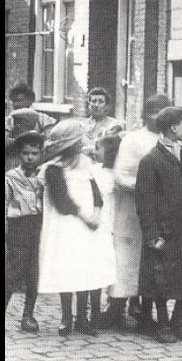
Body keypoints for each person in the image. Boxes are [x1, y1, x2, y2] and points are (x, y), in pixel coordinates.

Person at [37, 120, 116, 336]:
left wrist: (97, 214)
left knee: (86, 268)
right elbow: (63, 202)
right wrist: (85, 217)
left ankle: (83, 317)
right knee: (68, 268)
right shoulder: (53, 169)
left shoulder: (87, 165)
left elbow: (97, 193)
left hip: (90, 225)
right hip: (68, 225)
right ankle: (66, 317)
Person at [135, 106, 182, 344]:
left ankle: (179, 321)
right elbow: (144, 202)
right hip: (165, 232)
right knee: (161, 280)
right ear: (173, 128)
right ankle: (163, 324)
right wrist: (152, 234)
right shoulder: (151, 160)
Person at [101, 93, 171, 332]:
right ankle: (115, 308)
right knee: (127, 260)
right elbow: (120, 176)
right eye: (155, 114)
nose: (159, 119)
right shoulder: (134, 140)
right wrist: (147, 188)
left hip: (157, 213)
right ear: (145, 116)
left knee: (152, 261)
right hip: (131, 211)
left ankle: (145, 311)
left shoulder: (171, 140)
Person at [5, 131, 45, 332]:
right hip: (18, 227)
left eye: (34, 153)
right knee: (12, 273)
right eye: (26, 153)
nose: (30, 157)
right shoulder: (11, 177)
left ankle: (28, 315)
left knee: (33, 274)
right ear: (19, 154)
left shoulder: (44, 176)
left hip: (38, 226)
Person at [5, 82, 56, 153]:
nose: (15, 104)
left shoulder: (44, 119)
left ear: (30, 101)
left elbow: (51, 142)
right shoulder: (8, 120)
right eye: (14, 101)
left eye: (19, 100)